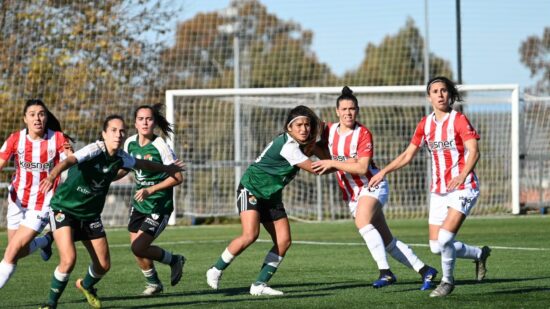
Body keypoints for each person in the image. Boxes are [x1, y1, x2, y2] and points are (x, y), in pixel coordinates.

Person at [36, 115, 185, 309]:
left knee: (103, 266)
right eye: (113, 130)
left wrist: (167, 167)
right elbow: (69, 160)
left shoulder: (122, 157)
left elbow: (143, 165)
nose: (119, 134)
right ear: (104, 134)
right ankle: (50, 304)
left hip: (90, 216)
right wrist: (52, 175)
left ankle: (86, 285)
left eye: (122, 131)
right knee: (69, 259)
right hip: (65, 208)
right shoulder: (93, 150)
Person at [369, 76, 491, 297]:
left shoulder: (459, 120)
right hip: (439, 191)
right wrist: (384, 171)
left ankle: (447, 281)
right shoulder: (425, 124)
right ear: (429, 97)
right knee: (436, 246)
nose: (440, 94)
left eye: (444, 90)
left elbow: (474, 151)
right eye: (435, 91)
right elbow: (408, 154)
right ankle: (479, 254)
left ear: (449, 94)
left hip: (464, 187)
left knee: (445, 239)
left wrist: (462, 175)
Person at [311, 86, 438, 290]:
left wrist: (333, 163)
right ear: (337, 111)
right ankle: (425, 270)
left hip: (372, 185)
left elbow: (361, 168)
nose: (348, 113)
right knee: (388, 242)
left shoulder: (363, 134)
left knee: (362, 222)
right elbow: (309, 126)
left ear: (357, 110)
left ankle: (385, 273)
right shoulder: (328, 130)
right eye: (344, 109)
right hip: (353, 194)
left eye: (352, 109)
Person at [206, 105, 321, 296]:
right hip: (251, 188)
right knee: (250, 234)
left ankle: (259, 285)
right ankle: (215, 269)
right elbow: (316, 168)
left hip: (271, 196)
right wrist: (348, 165)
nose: (304, 129)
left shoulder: (303, 144)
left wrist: (328, 150)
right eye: (299, 125)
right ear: (289, 128)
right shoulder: (288, 146)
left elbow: (324, 154)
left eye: (307, 125)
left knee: (283, 241)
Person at [0, 99, 73, 289]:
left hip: (42, 203)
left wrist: (54, 173)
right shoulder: (15, 139)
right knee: (16, 251)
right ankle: (45, 241)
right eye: (32, 114)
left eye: (41, 114)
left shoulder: (57, 138)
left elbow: (72, 159)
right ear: (25, 119)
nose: (37, 118)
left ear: (46, 117)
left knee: (11, 252)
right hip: (17, 201)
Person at [120, 104, 185, 296]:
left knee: (138, 246)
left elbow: (178, 177)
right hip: (139, 204)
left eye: (149, 119)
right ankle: (154, 283)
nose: (145, 122)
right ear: (135, 122)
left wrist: (152, 189)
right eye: (141, 119)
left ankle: (174, 260)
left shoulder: (160, 145)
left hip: (159, 204)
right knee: (138, 250)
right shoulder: (130, 143)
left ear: (154, 122)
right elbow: (125, 168)